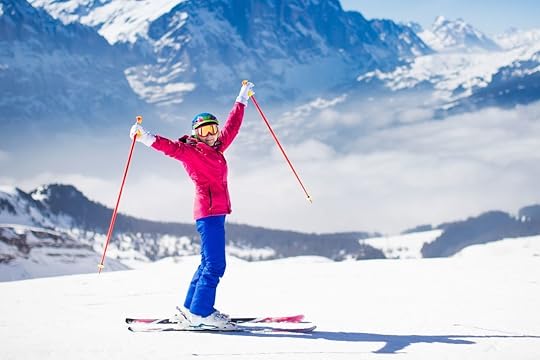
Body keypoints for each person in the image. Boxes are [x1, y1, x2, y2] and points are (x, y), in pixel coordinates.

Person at [129, 81, 255, 329]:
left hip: (214, 213)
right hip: (208, 213)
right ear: (196, 134)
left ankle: (190, 308)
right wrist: (146, 137)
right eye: (204, 131)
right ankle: (201, 313)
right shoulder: (192, 152)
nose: (210, 134)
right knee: (216, 264)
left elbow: (233, 127)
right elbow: (171, 148)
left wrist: (242, 99)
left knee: (207, 263)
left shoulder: (217, 147)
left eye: (213, 129)